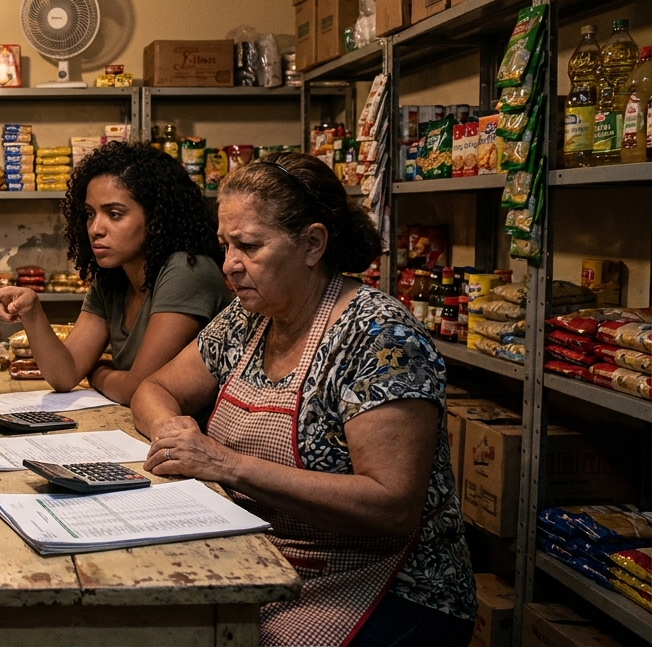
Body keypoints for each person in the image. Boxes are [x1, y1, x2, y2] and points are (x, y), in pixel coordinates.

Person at [131, 153, 476, 647]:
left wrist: (226, 465)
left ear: (312, 244)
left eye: (249, 246)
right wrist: (174, 434)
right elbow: (154, 388)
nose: (230, 265)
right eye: (225, 244)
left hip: (387, 586)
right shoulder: (249, 318)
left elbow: (392, 504)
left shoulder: (379, 337)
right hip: (269, 559)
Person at [0, 141, 230, 404]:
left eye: (114, 214)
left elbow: (139, 389)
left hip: (194, 437)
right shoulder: (113, 276)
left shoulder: (187, 270)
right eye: (89, 214)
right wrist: (32, 312)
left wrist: (96, 371)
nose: (95, 228)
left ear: (155, 218)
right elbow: (65, 374)